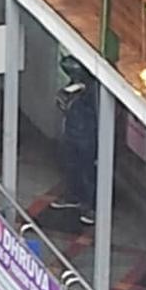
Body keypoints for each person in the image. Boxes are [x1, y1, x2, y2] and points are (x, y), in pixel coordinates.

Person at [49, 55, 98, 226]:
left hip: (87, 136)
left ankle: (91, 206)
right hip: (72, 131)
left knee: (87, 172)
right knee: (71, 165)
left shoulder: (94, 90)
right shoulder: (74, 85)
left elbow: (98, 114)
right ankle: (74, 196)